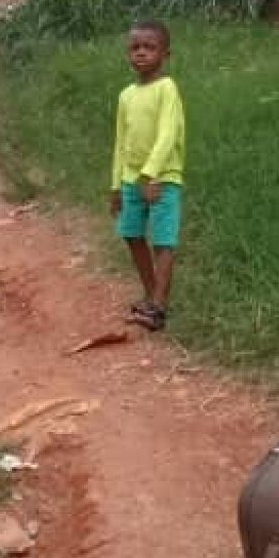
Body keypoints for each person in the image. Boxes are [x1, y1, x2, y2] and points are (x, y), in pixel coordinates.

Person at [110, 21, 185, 332]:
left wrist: (151, 175)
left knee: (163, 240)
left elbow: (168, 135)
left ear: (165, 54)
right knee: (131, 234)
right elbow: (121, 142)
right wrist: (116, 185)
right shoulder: (126, 95)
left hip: (162, 178)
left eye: (149, 47)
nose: (141, 53)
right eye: (135, 47)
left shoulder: (167, 89)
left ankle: (158, 307)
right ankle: (151, 295)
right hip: (131, 179)